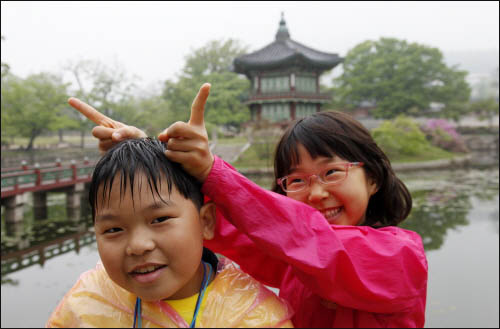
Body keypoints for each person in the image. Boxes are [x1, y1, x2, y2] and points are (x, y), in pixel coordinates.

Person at [68, 83, 428, 327]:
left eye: (331, 172)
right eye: (297, 181)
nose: (316, 194)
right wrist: (148, 161)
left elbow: (309, 238)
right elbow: (225, 229)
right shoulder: (293, 262)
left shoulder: (399, 256)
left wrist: (213, 170)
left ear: (373, 178)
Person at [45, 137, 294, 328]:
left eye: (160, 219)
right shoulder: (86, 303)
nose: (138, 245)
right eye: (113, 229)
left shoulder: (254, 316)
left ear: (205, 222)